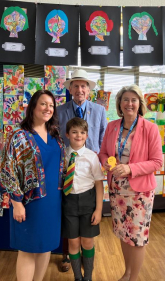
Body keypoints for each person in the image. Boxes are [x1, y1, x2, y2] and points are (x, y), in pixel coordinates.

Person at [0, 90, 65, 281]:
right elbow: (8, 170)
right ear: (33, 107)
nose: (48, 108)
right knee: (27, 249)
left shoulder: (55, 135)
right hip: (29, 203)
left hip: (53, 202)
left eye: (51, 105)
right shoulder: (18, 136)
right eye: (43, 104)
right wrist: (16, 203)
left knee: (46, 247)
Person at [98, 85, 163, 281]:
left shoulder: (150, 128)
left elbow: (157, 162)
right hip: (117, 190)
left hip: (139, 193)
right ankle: (126, 273)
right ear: (119, 104)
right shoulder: (112, 127)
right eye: (125, 99)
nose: (129, 103)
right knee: (124, 233)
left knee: (137, 237)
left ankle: (133, 278)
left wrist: (130, 168)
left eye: (133, 100)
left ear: (140, 104)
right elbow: (103, 153)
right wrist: (107, 164)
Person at [57, 69, 107, 272]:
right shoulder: (59, 110)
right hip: (67, 164)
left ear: (89, 90)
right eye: (76, 85)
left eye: (83, 86)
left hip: (90, 163)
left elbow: (102, 137)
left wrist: (101, 161)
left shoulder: (99, 110)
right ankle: (66, 256)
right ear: (70, 89)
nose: (80, 89)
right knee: (68, 213)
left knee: (86, 220)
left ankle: (85, 267)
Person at [62, 117, 104, 281]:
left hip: (88, 203)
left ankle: (88, 277)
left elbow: (99, 184)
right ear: (67, 134)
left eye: (82, 132)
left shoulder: (91, 156)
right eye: (74, 132)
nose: (78, 135)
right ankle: (77, 277)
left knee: (87, 242)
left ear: (86, 135)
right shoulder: (63, 155)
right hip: (69, 204)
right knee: (73, 243)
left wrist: (99, 210)